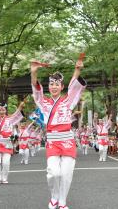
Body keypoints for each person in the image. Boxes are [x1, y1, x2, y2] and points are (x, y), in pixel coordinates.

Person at [31, 53, 86, 209]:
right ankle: (54, 196)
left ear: (62, 87)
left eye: (57, 84)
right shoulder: (44, 102)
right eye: (51, 84)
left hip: (67, 139)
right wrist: (34, 72)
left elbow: (74, 87)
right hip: (53, 140)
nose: (54, 87)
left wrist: (77, 70)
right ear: (48, 87)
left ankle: (62, 202)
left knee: (66, 174)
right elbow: (36, 90)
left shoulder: (69, 100)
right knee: (53, 173)